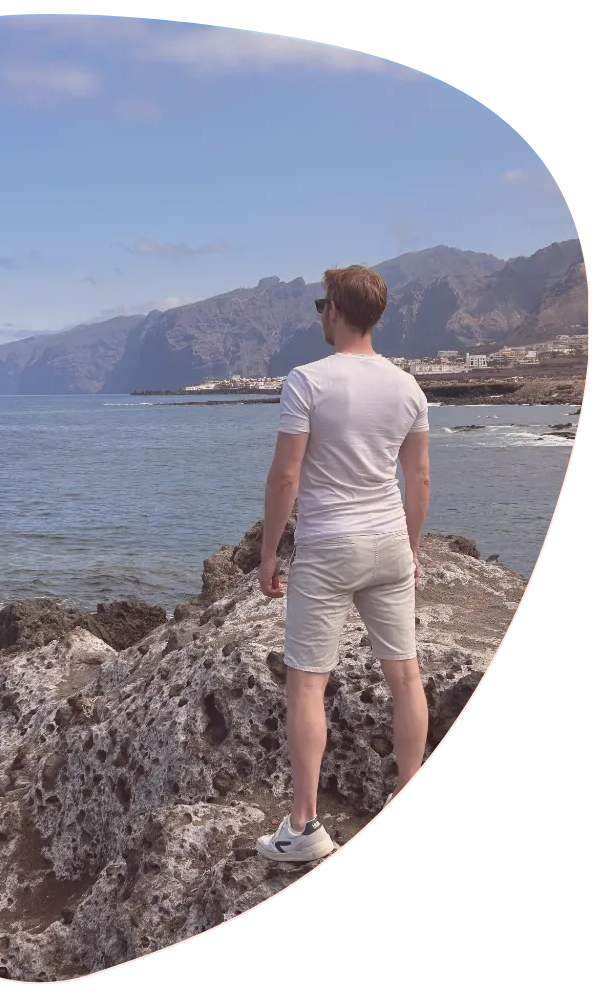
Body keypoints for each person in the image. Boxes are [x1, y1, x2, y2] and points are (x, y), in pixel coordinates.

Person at [255, 264, 431, 864]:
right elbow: (419, 478)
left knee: (308, 683)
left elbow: (286, 476)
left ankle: (304, 827)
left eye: (320, 306)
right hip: (389, 541)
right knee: (404, 677)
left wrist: (270, 551)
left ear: (334, 309)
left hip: (329, 546)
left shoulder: (307, 381)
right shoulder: (408, 388)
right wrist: (411, 548)